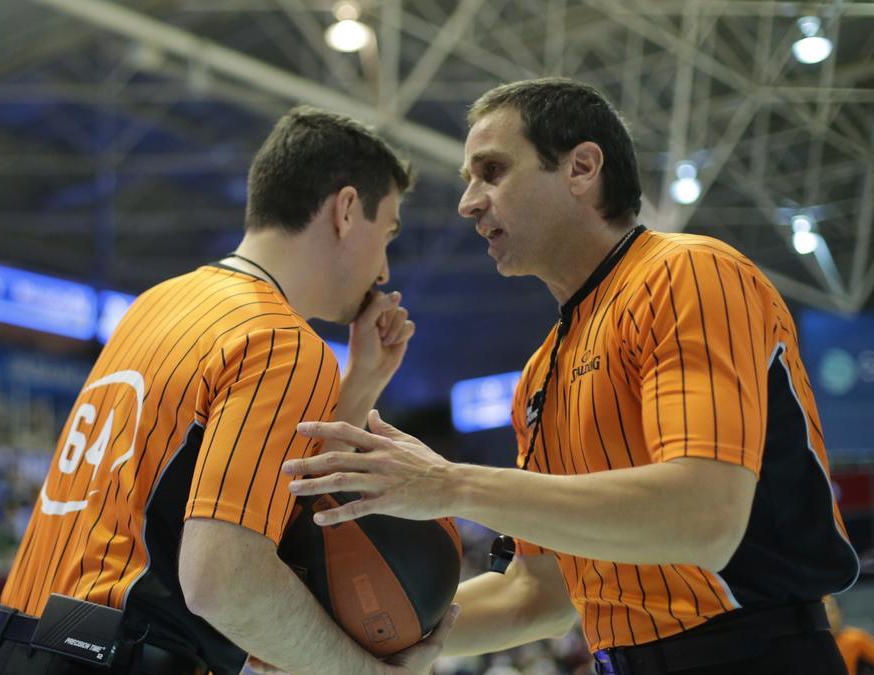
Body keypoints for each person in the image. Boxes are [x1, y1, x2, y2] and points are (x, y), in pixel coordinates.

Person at [285, 78, 858, 675]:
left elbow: (704, 516)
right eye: (468, 180)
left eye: (492, 170)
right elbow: (536, 596)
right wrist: (314, 635)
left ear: (582, 167)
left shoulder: (688, 273)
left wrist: (449, 484)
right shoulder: (539, 376)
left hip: (756, 654)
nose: (468, 202)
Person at [0, 106, 456, 675]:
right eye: (388, 232)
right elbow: (223, 581)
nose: (383, 270)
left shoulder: (154, 305)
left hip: (15, 644)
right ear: (347, 211)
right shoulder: (282, 340)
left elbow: (204, 490)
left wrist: (363, 382)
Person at [825, 595, 874, 675]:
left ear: (839, 612)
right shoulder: (810, 643)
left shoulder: (855, 638)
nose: (827, 617)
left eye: (830, 611)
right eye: (824, 613)